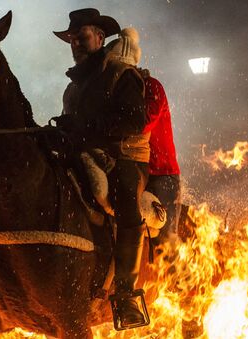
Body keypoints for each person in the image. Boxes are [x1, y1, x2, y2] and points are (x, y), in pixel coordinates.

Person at [52, 8, 149, 330]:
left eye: (81, 37)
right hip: (80, 152)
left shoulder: (121, 73)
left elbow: (134, 121)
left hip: (118, 157)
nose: (75, 44)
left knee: (125, 201)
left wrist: (84, 128)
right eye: (71, 40)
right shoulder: (75, 85)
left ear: (99, 36)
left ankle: (126, 295)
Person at [110, 26, 182, 245]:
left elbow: (141, 123)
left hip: (161, 174)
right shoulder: (116, 91)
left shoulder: (152, 87)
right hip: (132, 167)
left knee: (163, 242)